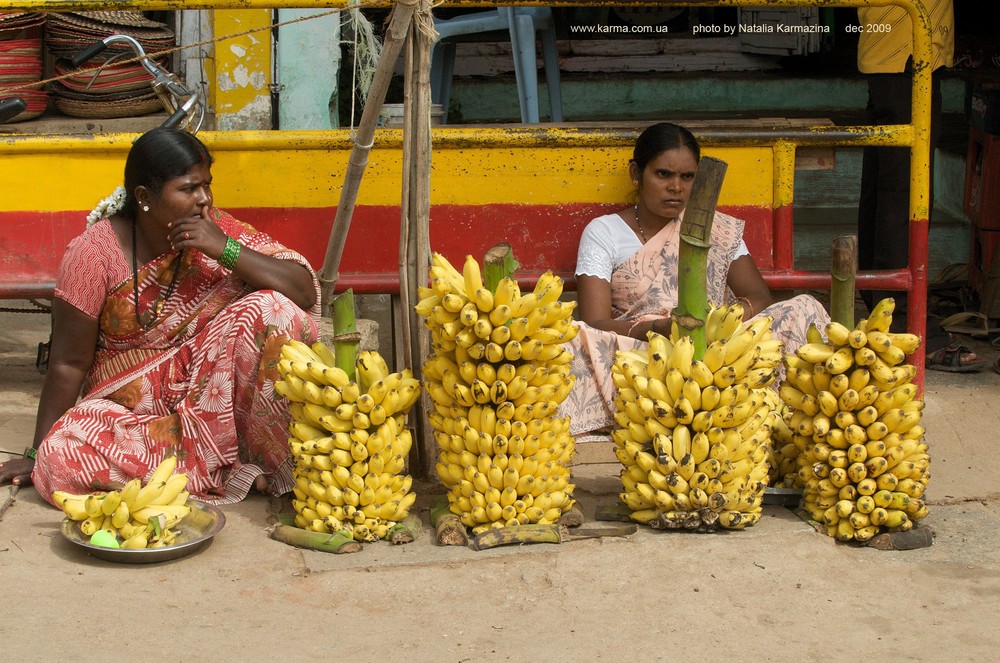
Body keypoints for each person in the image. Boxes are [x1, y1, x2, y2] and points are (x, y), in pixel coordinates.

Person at [0, 127, 320, 505]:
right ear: (144, 197)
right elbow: (68, 364)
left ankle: (245, 463)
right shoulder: (94, 254)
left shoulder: (216, 229)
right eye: (188, 189)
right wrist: (37, 452)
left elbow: (302, 291)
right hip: (137, 418)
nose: (204, 199)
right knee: (61, 457)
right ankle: (215, 474)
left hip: (217, 406)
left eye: (207, 185)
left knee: (274, 310)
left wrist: (224, 249)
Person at [560, 122, 830, 441]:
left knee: (804, 308)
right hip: (645, 355)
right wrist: (657, 328)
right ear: (636, 173)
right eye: (663, 174)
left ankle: (805, 413)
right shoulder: (605, 232)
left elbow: (759, 297)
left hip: (720, 354)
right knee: (570, 340)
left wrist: (718, 324)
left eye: (687, 177)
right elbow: (595, 322)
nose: (676, 187)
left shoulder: (714, 228)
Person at [856, 1, 979, 371]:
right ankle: (905, 323)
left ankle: (885, 307)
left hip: (898, 45)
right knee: (903, 193)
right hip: (908, 45)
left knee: (886, 186)